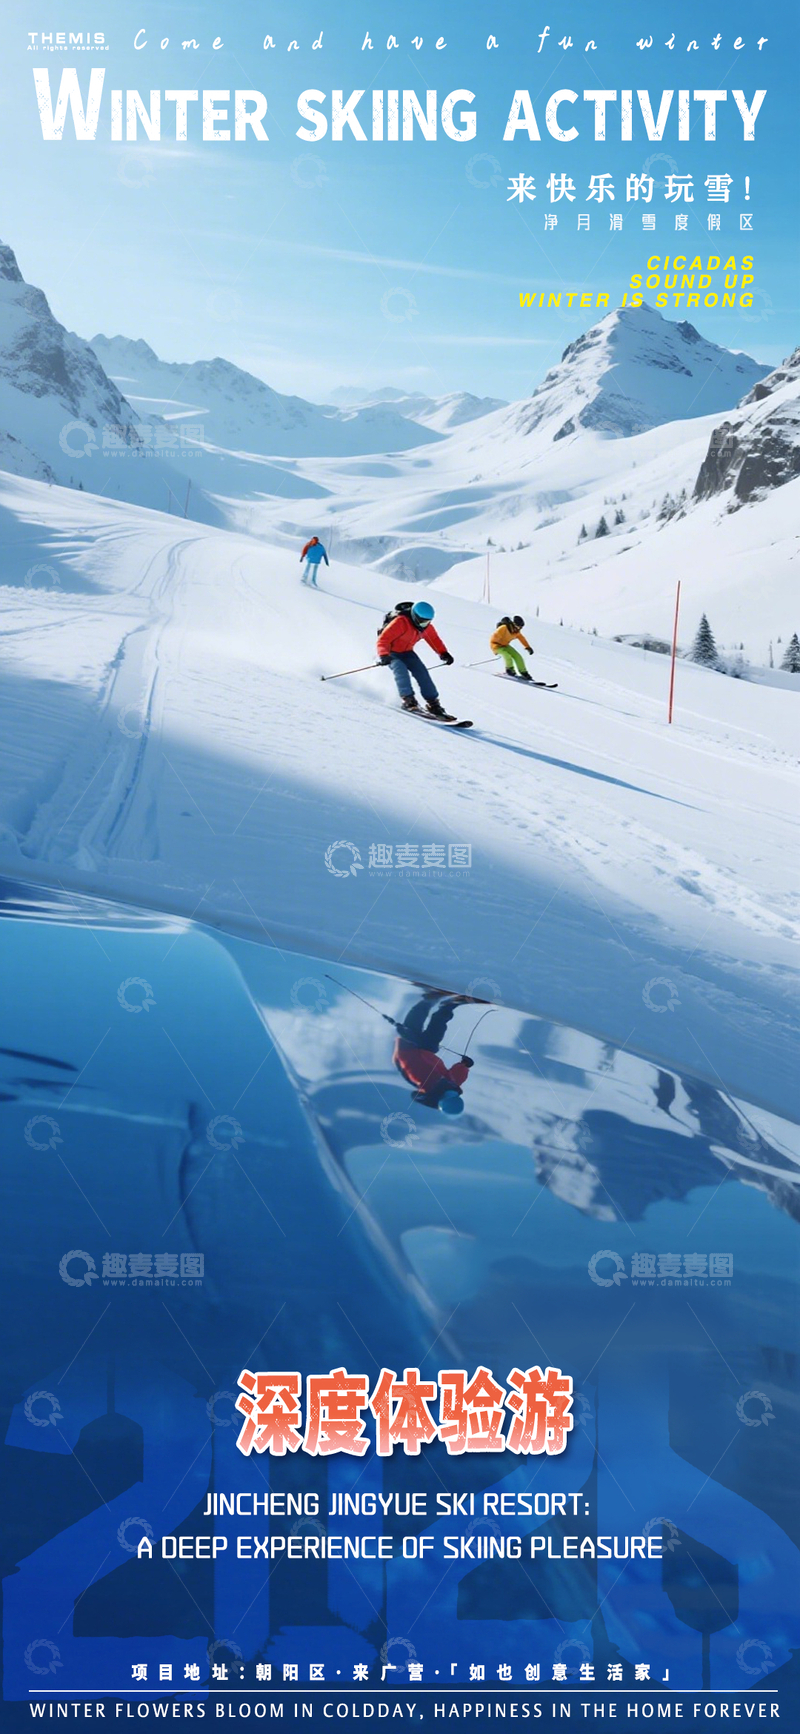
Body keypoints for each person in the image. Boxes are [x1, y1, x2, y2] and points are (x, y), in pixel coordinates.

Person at [393, 992, 473, 1114]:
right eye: (453, 1095)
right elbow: (456, 1076)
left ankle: (428, 1000)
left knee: (414, 1023)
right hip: (426, 1050)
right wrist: (465, 1065)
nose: (451, 1092)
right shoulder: (450, 1086)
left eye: (450, 1096)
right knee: (438, 1027)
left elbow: (406, 1062)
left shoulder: (424, 1082)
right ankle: (448, 1005)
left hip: (408, 1048)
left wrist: (406, 1037)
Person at [376, 600, 455, 717]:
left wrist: (444, 653)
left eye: (427, 621)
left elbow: (434, 640)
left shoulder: (426, 627)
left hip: (408, 652)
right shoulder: (400, 622)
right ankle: (408, 701)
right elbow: (383, 640)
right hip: (391, 653)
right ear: (414, 616)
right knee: (400, 671)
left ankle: (433, 704)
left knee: (422, 673)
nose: (424, 624)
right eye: (422, 621)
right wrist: (383, 655)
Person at [490, 615, 534, 679]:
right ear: (514, 624)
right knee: (507, 656)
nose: (520, 628)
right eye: (519, 627)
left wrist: (528, 647)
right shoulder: (504, 628)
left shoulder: (516, 632)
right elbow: (494, 637)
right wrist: (496, 647)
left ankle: (524, 672)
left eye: (521, 627)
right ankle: (509, 670)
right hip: (496, 645)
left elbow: (522, 638)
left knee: (518, 656)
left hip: (505, 645)